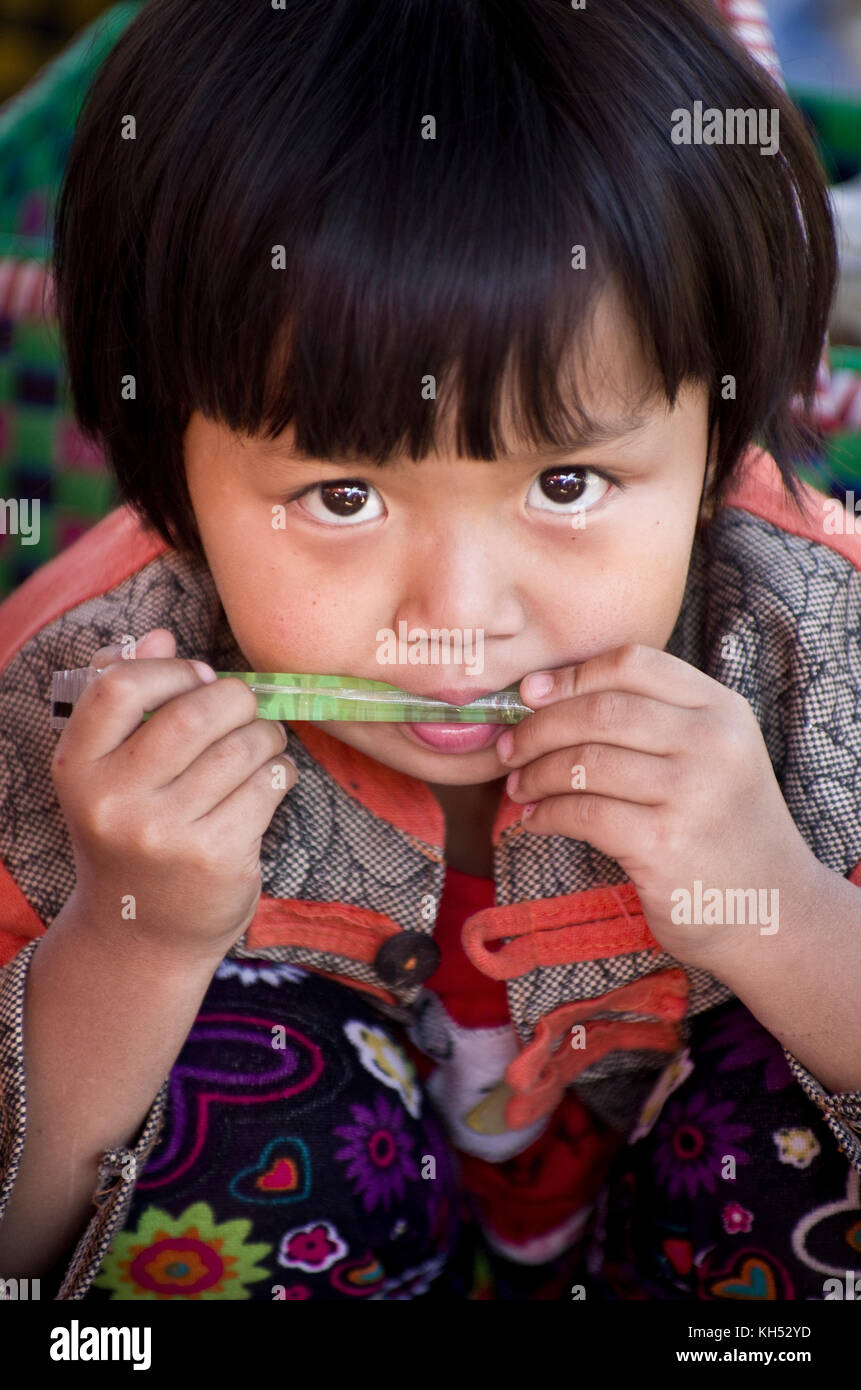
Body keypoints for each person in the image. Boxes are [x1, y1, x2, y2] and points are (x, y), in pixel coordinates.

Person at [0, 0, 859, 1302]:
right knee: (219, 1081)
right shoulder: (69, 700)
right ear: (170, 474)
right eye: (340, 496)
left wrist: (777, 905)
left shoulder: (817, 657)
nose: (455, 614)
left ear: (713, 444)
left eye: (567, 481)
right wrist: (133, 939)